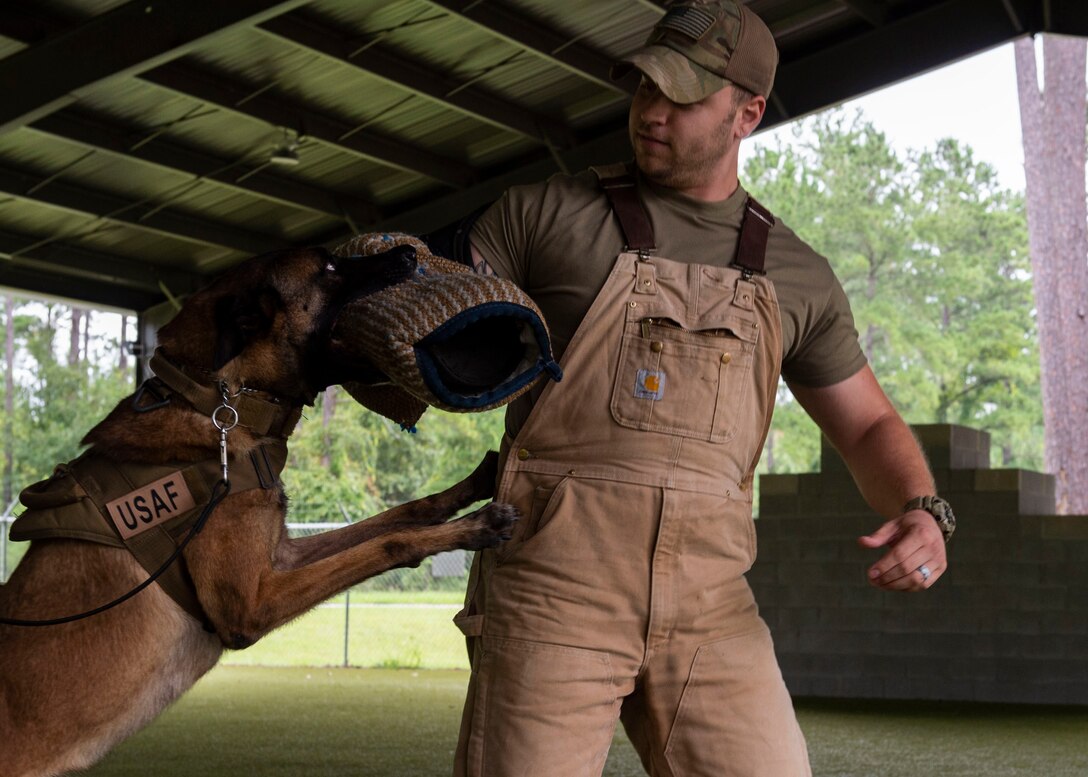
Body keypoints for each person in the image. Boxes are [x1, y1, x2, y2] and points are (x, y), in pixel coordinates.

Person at [444, 2, 955, 775]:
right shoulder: (540, 217)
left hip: (713, 608)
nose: (651, 112)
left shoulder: (798, 275)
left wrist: (923, 510)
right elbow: (422, 317)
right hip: (554, 589)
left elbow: (867, 425)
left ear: (747, 113)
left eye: (682, 97)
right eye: (645, 88)